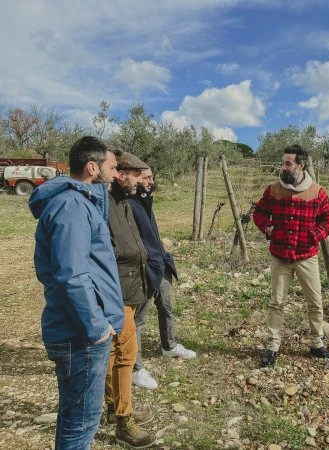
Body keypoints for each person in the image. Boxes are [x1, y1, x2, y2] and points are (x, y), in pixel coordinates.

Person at [28, 136, 123, 449]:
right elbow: (72, 275)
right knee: (81, 423)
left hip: (79, 330)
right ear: (92, 167)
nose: (117, 173)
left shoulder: (81, 202)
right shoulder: (71, 205)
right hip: (79, 334)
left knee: (76, 419)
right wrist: (96, 328)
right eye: (112, 167)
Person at [252, 144, 329, 367]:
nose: (283, 167)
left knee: (315, 302)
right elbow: (259, 213)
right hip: (280, 255)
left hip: (306, 255)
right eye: (283, 163)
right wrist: (268, 229)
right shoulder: (273, 190)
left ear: (301, 165)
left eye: (288, 163)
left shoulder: (317, 192)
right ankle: (272, 347)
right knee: (276, 302)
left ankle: (316, 344)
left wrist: (313, 235)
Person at [105, 151, 156, 448]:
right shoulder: (105, 203)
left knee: (116, 353)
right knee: (126, 354)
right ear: (121, 173)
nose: (142, 181)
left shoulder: (124, 200)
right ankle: (124, 421)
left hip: (130, 287)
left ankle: (114, 407)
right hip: (118, 291)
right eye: (137, 175)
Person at [129, 167, 196, 390]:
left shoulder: (146, 199)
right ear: (135, 179)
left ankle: (169, 346)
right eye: (146, 178)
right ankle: (135, 369)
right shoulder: (127, 202)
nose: (151, 181)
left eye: (151, 177)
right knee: (138, 321)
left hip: (160, 263)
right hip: (144, 269)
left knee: (167, 307)